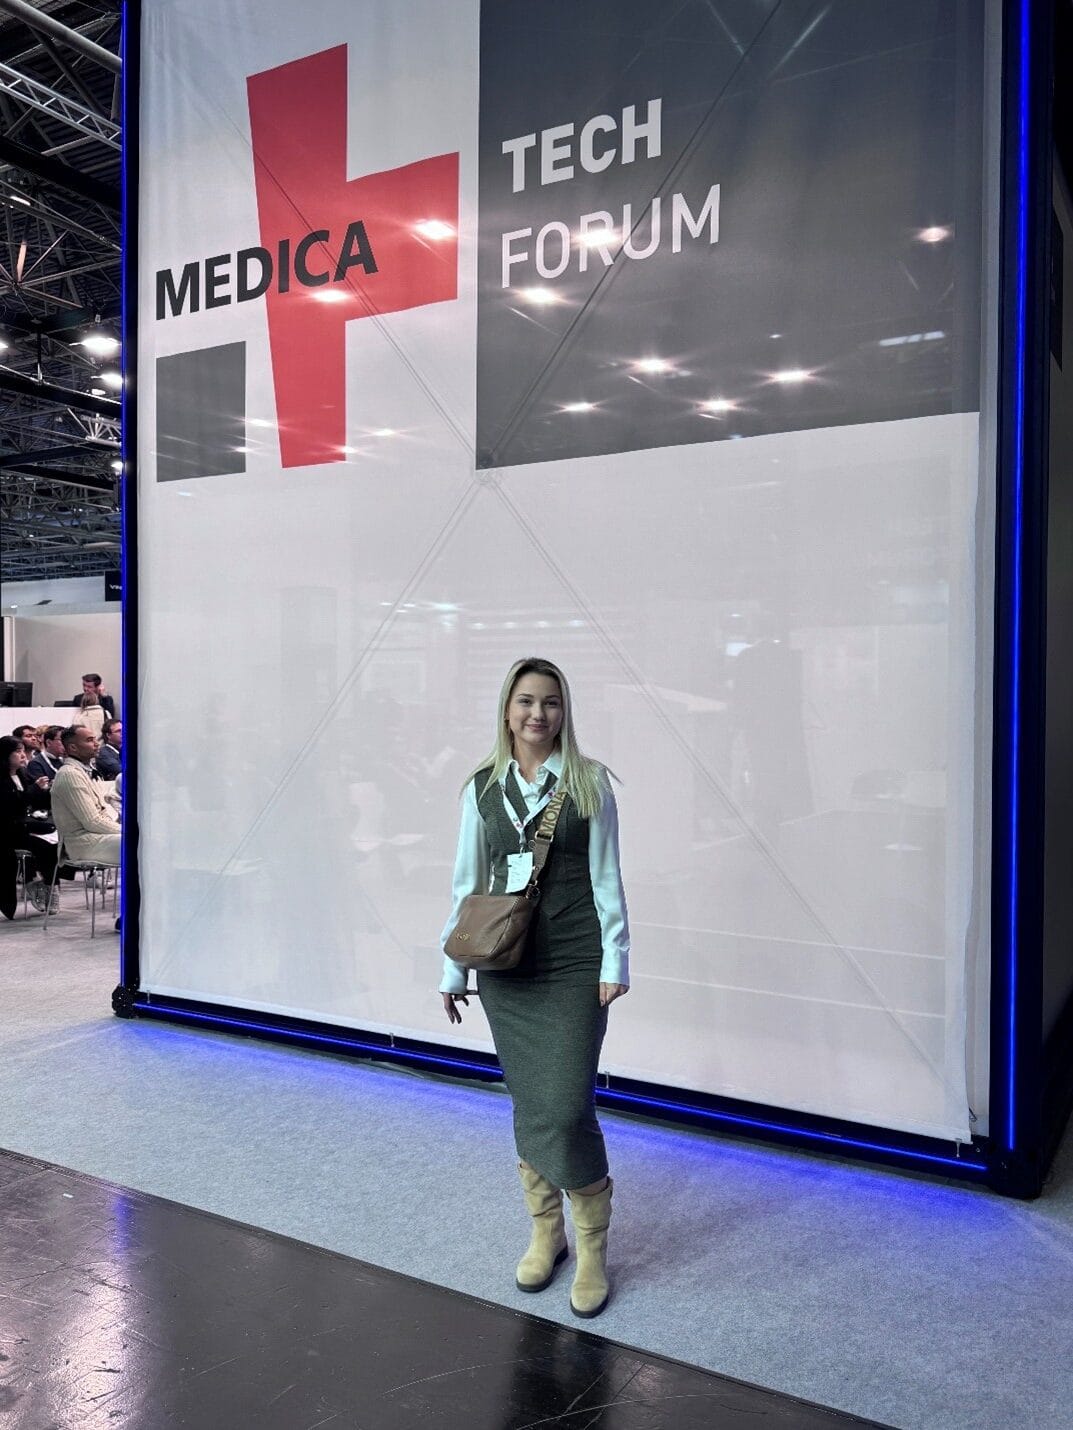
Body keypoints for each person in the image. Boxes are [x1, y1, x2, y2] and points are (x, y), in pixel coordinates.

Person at [439, 657, 629, 1318]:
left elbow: (607, 878)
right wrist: (453, 969)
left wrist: (615, 961)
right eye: (525, 701)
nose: (537, 714)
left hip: (575, 959)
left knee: (567, 1104)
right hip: (506, 967)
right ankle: (547, 1233)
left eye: (550, 702)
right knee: (529, 1102)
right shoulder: (481, 787)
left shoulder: (588, 782)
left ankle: (592, 1248)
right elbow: (468, 882)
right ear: (507, 708)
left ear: (563, 711)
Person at [0, 735, 59, 916]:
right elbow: (11, 806)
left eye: (22, 751)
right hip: (7, 830)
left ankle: (50, 885)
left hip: (25, 824)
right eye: (17, 751)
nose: (22, 755)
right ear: (5, 755)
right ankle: (34, 881)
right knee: (43, 845)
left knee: (56, 840)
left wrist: (46, 789)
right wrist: (35, 789)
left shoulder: (23, 774)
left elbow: (37, 801)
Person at [50, 725, 121, 867]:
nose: (96, 744)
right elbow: (93, 822)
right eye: (89, 740)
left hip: (97, 836)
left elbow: (102, 813)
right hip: (82, 843)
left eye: (95, 739)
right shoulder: (69, 774)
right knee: (144, 841)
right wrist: (126, 829)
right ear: (73, 748)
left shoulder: (85, 770)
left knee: (150, 839)